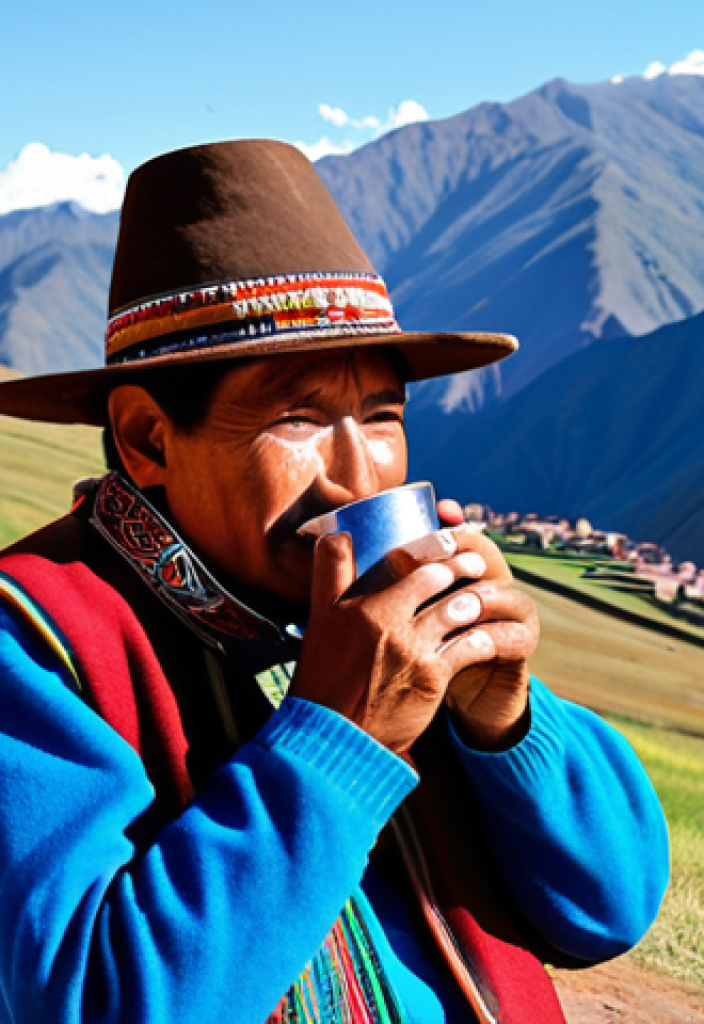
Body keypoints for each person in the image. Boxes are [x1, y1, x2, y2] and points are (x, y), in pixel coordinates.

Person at [0, 140, 669, 1024]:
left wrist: (503, 719)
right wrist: (340, 737)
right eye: (298, 418)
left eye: (382, 415)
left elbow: (607, 913)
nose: (359, 478)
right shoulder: (33, 647)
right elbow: (93, 1002)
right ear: (148, 440)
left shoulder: (390, 623)